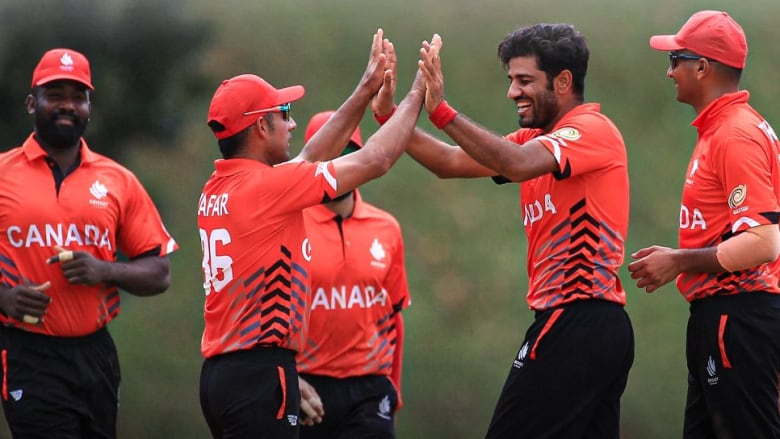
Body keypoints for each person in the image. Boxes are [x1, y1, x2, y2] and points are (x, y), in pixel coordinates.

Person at [373, 25, 634, 438]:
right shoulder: (535, 139)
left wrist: (442, 111)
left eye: (525, 80)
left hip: (576, 320)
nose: (513, 92)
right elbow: (450, 162)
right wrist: (391, 117)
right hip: (588, 327)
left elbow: (515, 164)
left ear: (563, 81)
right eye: (511, 80)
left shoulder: (590, 130)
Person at [197, 29, 425, 439]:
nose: (292, 122)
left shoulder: (220, 186)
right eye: (283, 112)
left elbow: (309, 156)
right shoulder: (267, 188)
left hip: (225, 373)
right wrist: (417, 94)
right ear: (260, 127)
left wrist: (366, 87)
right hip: (258, 373)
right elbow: (377, 158)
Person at [0, 48, 178, 438]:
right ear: (33, 103)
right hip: (29, 353)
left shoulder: (118, 180)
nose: (67, 105)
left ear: (89, 107)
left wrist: (104, 270)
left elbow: (159, 272)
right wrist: (3, 297)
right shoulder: (4, 173)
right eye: (55, 94)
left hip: (96, 355)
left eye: (78, 96)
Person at [629, 10, 780, 438]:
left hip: (740, 316)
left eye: (675, 59)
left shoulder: (735, 134)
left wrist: (679, 260)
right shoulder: (721, 130)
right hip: (722, 316)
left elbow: (763, 241)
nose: (669, 71)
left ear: (702, 67)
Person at [296, 111, 411, 439]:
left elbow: (394, 315)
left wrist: (394, 393)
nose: (339, 164)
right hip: (307, 387)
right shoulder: (290, 226)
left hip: (369, 389)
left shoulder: (386, 227)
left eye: (349, 152)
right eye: (329, 154)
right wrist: (286, 380)